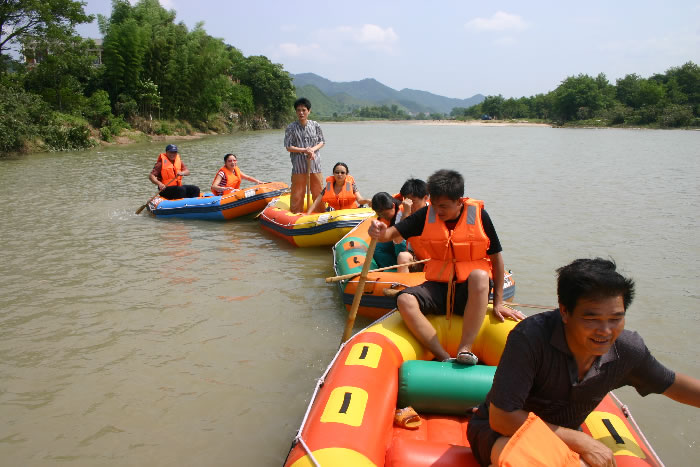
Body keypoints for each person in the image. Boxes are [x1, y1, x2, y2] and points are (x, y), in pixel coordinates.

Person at [467, 258, 700, 467]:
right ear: (565, 312)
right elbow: (502, 418)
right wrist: (581, 440)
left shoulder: (627, 351)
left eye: (616, 318)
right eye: (592, 318)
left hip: (563, 437)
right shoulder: (531, 338)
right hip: (501, 435)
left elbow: (672, 384)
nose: (606, 331)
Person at [368, 169, 524, 365]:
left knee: (480, 276)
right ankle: (442, 356)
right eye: (434, 204)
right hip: (439, 288)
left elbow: (497, 260)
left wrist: (499, 302)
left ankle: (465, 349)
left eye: (443, 206)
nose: (437, 211)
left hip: (470, 291)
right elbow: (391, 234)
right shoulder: (427, 214)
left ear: (459, 201)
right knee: (405, 300)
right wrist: (379, 232)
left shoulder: (480, 217)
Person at [284, 97, 325, 213]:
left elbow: (322, 142)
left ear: (309, 111)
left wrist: (312, 149)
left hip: (315, 165)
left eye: (304, 110)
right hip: (298, 166)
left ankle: (320, 214)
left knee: (318, 191)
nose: (301, 113)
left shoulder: (315, 125)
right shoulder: (291, 127)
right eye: (298, 110)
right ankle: (296, 216)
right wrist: (304, 150)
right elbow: (288, 146)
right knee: (298, 193)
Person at [370, 192, 412, 273]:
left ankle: (402, 268)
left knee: (399, 243)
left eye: (384, 214)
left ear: (393, 206)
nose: (382, 216)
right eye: (379, 214)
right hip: (394, 241)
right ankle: (391, 269)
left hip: (408, 244)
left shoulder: (404, 210)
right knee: (378, 248)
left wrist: (406, 214)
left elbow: (399, 237)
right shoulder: (383, 216)